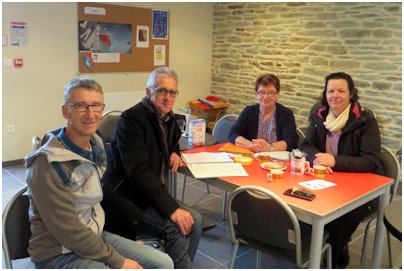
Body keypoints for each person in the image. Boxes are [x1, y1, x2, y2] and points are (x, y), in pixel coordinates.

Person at [25, 78, 173, 269]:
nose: (90, 114)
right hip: (58, 254)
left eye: (96, 106)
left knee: (164, 263)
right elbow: (68, 231)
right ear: (65, 111)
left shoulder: (96, 146)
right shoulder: (47, 164)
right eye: (80, 106)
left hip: (94, 235)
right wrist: (118, 261)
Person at [101, 67, 202, 268]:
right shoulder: (132, 119)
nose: (167, 97)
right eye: (161, 91)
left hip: (149, 194)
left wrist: (175, 152)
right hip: (127, 197)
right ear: (149, 92)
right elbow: (138, 172)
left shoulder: (168, 118)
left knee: (196, 221)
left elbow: (169, 142)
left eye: (172, 92)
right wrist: (171, 209)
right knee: (177, 226)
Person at [302, 72, 384, 268]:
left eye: (341, 90)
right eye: (330, 91)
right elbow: (307, 144)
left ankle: (334, 258)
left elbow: (370, 161)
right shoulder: (319, 115)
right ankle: (312, 249)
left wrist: (334, 161)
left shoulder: (365, 120)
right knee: (301, 204)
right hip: (326, 179)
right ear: (325, 93)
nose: (335, 95)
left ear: (351, 93)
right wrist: (316, 160)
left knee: (339, 219)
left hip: (360, 186)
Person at [228, 73, 298, 152]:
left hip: (276, 159)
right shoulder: (248, 111)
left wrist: (268, 148)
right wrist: (251, 145)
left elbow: (291, 141)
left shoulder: (286, 114)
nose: (266, 97)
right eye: (262, 92)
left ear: (278, 95)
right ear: (256, 94)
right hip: (251, 157)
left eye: (271, 93)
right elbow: (233, 135)